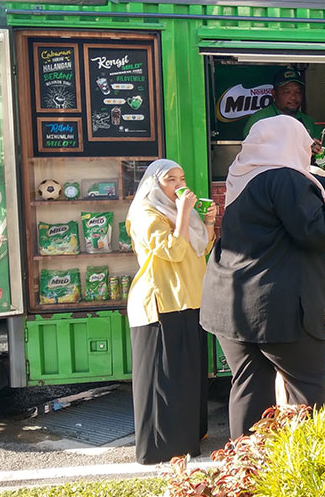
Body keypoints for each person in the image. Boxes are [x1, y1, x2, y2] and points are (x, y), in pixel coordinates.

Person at [200, 116, 325, 439]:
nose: (309, 155)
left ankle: (247, 474)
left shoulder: (241, 175)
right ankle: (299, 474)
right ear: (290, 145)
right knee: (307, 391)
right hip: (276, 307)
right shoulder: (288, 179)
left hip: (229, 304)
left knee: (249, 387)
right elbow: (316, 229)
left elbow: (285, 204)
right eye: (307, 147)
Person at [125, 159, 216, 464]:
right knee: (163, 380)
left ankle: (188, 440)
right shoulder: (144, 213)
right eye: (170, 180)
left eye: (182, 178)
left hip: (190, 299)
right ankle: (161, 448)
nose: (179, 185)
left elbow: (199, 248)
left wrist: (208, 223)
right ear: (154, 183)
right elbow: (174, 251)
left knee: (188, 376)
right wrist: (186, 214)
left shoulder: (178, 214)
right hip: (160, 303)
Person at [243, 68, 325, 172]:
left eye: (298, 92)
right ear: (274, 93)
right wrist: (302, 148)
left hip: (304, 180)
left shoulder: (311, 123)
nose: (293, 97)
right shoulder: (260, 120)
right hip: (270, 180)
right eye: (287, 92)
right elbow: (252, 156)